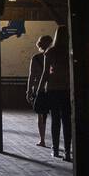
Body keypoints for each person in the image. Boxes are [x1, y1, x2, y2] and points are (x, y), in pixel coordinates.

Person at [37, 26, 72, 161]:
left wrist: (40, 89)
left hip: (52, 89)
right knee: (67, 121)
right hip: (67, 89)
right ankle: (68, 151)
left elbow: (45, 73)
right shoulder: (69, 51)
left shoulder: (50, 52)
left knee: (55, 121)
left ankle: (55, 149)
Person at [25, 34, 53, 146]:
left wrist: (28, 91)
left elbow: (31, 76)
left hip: (39, 89)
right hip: (52, 87)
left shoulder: (36, 58)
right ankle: (56, 142)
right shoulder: (54, 56)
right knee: (55, 114)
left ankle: (42, 140)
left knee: (41, 115)